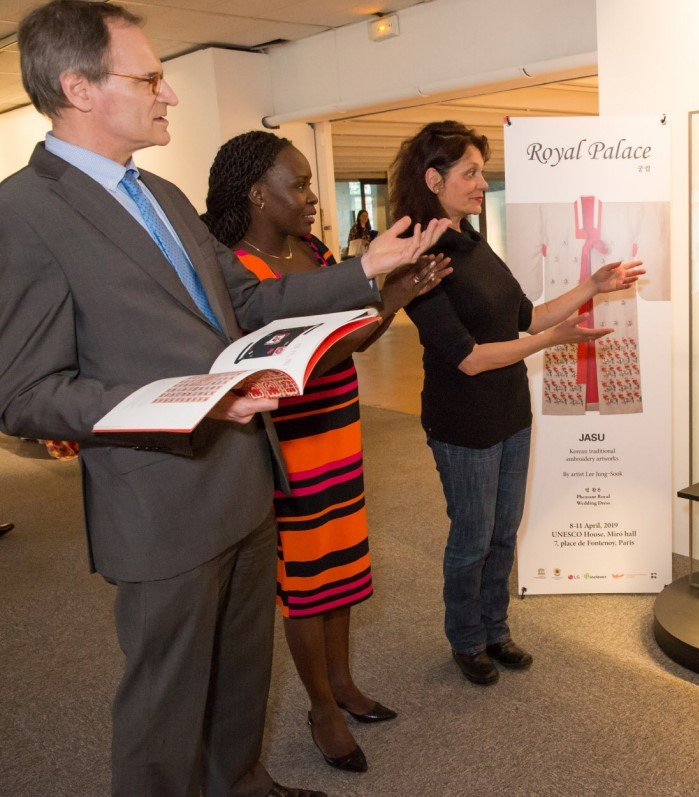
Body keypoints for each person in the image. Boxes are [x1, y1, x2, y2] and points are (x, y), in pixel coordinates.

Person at [0, 3, 448, 796]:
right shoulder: (23, 213)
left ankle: (243, 782)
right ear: (78, 87)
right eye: (150, 78)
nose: (168, 94)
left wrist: (364, 270)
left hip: (245, 481)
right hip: (159, 506)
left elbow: (249, 298)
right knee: (163, 715)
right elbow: (26, 395)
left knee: (243, 675)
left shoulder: (164, 195)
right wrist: (189, 402)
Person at [202, 131, 448, 774]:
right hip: (288, 445)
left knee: (341, 570)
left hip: (339, 431)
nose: (313, 198)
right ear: (257, 193)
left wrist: (394, 298)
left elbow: (358, 343)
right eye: (300, 184)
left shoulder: (315, 253)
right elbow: (300, 364)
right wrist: (391, 294)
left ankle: (341, 681)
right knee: (306, 585)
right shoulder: (239, 271)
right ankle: (320, 707)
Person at [392, 120, 643, 684]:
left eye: (482, 171)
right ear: (433, 179)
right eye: (470, 173)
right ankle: (465, 640)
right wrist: (550, 344)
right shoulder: (417, 260)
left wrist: (593, 286)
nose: (483, 183)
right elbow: (469, 357)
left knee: (505, 533)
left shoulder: (475, 244)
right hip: (463, 422)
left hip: (510, 413)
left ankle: (495, 630)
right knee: (472, 538)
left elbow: (527, 316)